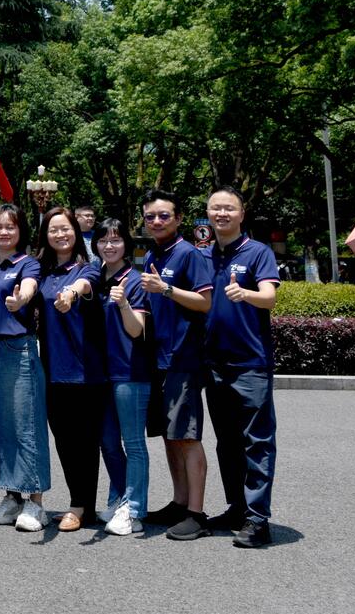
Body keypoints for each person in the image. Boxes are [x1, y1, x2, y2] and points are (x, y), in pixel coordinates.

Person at [201, 186, 280, 548]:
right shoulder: (205, 255)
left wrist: (245, 294)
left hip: (250, 363)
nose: (222, 214)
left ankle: (258, 519)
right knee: (227, 443)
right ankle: (237, 508)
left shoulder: (257, 252)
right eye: (215, 208)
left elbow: (270, 297)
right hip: (214, 364)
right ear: (208, 213)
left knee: (257, 443)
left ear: (242, 213)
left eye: (229, 208)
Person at [137, 188, 214, 540]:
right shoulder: (154, 253)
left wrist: (165, 288)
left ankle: (197, 513)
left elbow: (204, 302)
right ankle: (179, 502)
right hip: (157, 358)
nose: (156, 221)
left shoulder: (188, 254)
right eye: (150, 216)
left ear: (179, 218)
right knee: (170, 435)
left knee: (186, 436)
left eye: (164, 215)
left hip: (182, 357)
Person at [0, 202, 51, 532]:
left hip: (18, 348)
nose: (3, 232)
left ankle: (36, 502)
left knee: (26, 424)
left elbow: (30, 287)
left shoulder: (28, 263)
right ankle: (12, 496)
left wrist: (21, 300)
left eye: (10, 226)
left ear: (21, 231)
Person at [35, 206, 105, 533]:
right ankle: (81, 502)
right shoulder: (43, 271)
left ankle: (81, 505)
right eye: (54, 230)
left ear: (76, 232)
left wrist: (71, 292)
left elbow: (86, 286)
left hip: (84, 372)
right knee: (63, 440)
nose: (60, 234)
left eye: (65, 229)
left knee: (85, 443)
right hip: (51, 370)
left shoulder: (88, 268)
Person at [93, 217, 152, 536]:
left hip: (130, 372)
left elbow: (136, 330)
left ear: (126, 244)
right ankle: (119, 497)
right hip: (101, 374)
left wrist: (124, 303)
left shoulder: (135, 280)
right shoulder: (95, 277)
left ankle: (135, 509)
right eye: (103, 240)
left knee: (133, 443)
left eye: (115, 240)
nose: (109, 245)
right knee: (107, 442)